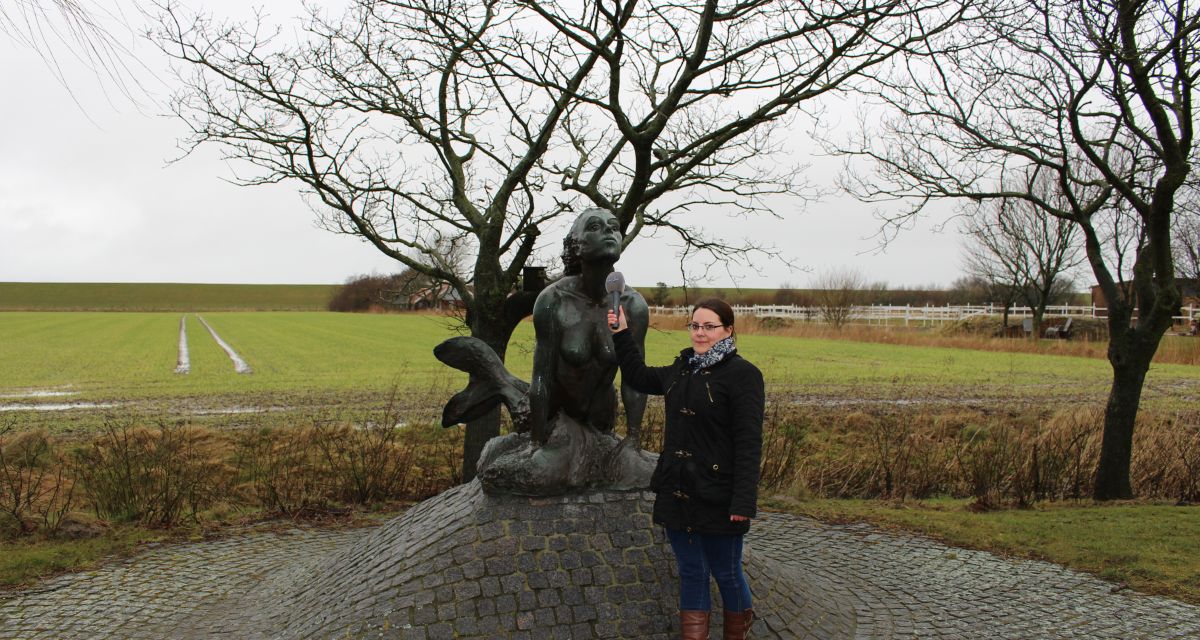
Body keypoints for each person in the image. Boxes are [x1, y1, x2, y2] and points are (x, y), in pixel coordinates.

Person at [608, 298, 764, 640]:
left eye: (709, 326)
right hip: (678, 491)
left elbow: (749, 443)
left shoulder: (744, 376)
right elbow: (637, 375)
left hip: (719, 495)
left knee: (726, 572)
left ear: (728, 330)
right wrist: (621, 332)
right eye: (695, 325)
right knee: (692, 571)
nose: (700, 333)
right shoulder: (681, 370)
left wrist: (743, 502)